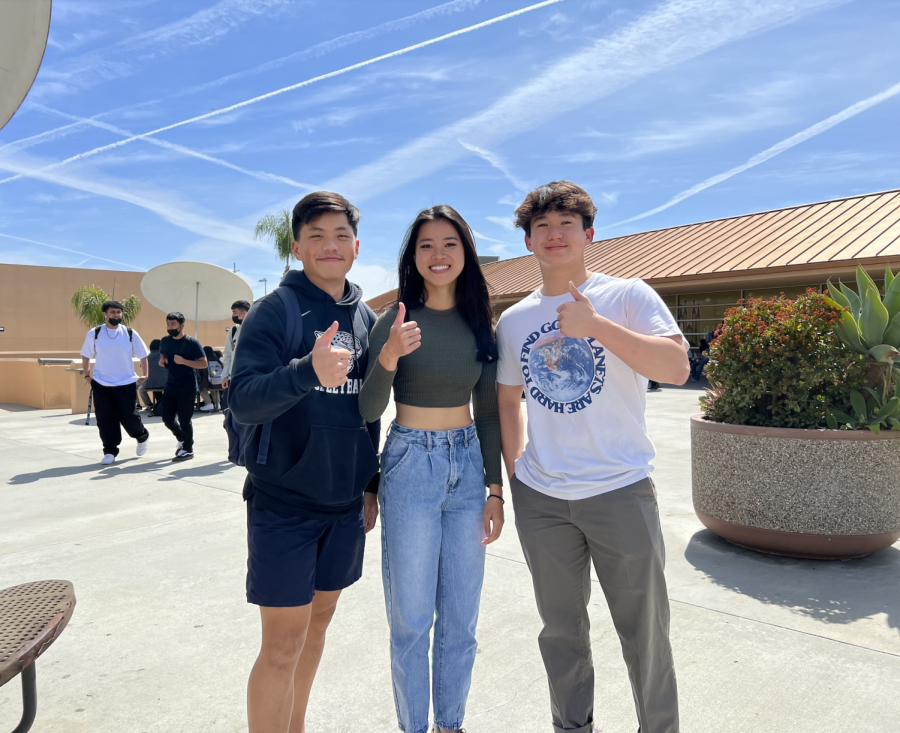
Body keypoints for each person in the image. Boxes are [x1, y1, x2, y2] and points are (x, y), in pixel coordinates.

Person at [495, 181, 689, 733]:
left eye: (566, 225)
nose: (554, 235)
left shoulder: (627, 295)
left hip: (620, 490)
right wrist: (516, 474)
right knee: (560, 632)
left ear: (588, 233)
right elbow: (508, 398)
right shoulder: (514, 321)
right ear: (528, 241)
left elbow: (675, 369)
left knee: (644, 632)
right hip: (544, 499)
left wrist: (597, 327)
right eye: (542, 227)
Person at [228, 191, 381, 733]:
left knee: (317, 629)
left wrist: (372, 483)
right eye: (316, 236)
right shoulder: (276, 311)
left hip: (344, 507)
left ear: (357, 246)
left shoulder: (365, 317)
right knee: (282, 645)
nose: (329, 245)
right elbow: (242, 399)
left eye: (340, 235)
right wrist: (305, 372)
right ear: (297, 247)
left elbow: (370, 407)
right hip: (284, 503)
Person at [359, 205, 504, 733]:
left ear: (465, 251)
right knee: (411, 621)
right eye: (426, 245)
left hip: (467, 466)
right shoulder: (393, 319)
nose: (438, 254)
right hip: (409, 464)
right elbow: (368, 410)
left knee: (461, 622)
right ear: (412, 256)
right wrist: (391, 355)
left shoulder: (478, 324)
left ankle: (451, 724)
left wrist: (495, 490)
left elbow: (488, 413)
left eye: (449, 243)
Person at [80, 300, 151, 465]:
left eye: (119, 312)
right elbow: (86, 354)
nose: (116, 315)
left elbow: (142, 354)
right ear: (105, 314)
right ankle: (110, 451)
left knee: (129, 416)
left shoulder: (130, 333)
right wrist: (87, 375)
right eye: (112, 312)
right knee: (105, 418)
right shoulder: (95, 333)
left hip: (125, 382)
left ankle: (141, 436)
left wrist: (145, 373)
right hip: (101, 382)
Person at [159, 312, 207, 462]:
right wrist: (162, 361)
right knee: (167, 418)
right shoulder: (165, 340)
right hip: (170, 386)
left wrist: (184, 361)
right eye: (168, 324)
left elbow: (203, 363)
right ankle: (181, 438)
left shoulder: (192, 343)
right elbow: (163, 356)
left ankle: (188, 449)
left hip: (187, 387)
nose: (169, 327)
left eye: (173, 324)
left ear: (182, 325)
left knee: (185, 420)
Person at [222, 299, 251, 392]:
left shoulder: (255, 330)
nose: (233, 315)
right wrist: (225, 376)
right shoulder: (233, 331)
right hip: (233, 377)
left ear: (244, 313)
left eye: (235, 312)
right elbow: (227, 355)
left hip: (250, 377)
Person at [137, 338, 167, 413]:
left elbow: (142, 366)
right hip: (165, 383)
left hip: (150, 383)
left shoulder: (147, 357)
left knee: (139, 388)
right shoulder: (164, 356)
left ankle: (147, 404)